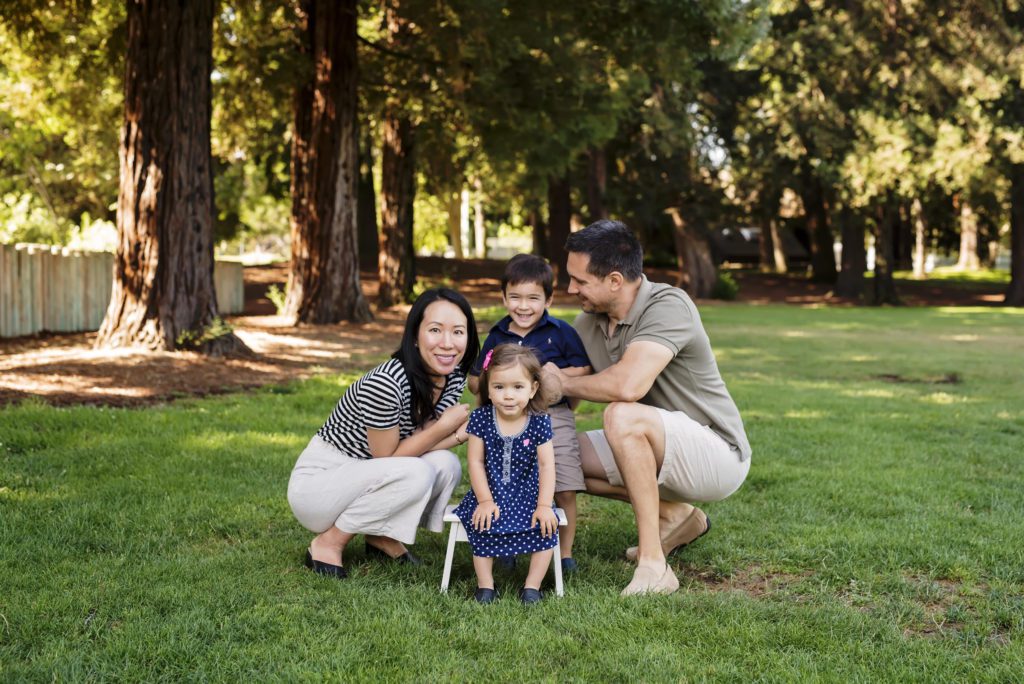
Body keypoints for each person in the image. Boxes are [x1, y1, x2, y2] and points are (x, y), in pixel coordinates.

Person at [544, 220, 752, 596]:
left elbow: (628, 385)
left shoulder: (669, 304)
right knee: (558, 456)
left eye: (579, 281)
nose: (570, 289)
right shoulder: (586, 323)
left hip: (717, 453)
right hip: (652, 442)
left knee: (620, 413)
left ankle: (655, 566)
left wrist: (564, 381)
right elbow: (566, 398)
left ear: (614, 280)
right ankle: (676, 517)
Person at [287, 288, 479, 579]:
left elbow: (421, 443)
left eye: (458, 332)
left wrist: (456, 436)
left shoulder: (451, 376)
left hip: (366, 475)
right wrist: (445, 428)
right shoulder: (386, 383)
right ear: (415, 336)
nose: (447, 343)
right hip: (319, 486)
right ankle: (328, 542)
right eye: (435, 330)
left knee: (446, 464)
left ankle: (381, 536)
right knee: (417, 472)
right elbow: (388, 458)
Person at [468, 253, 591, 573]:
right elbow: (477, 378)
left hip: (552, 415)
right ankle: (506, 542)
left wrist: (557, 377)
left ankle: (564, 553)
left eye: (533, 298)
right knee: (503, 482)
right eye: (516, 297)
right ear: (504, 297)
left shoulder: (561, 332)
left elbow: (583, 370)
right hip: (506, 419)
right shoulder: (497, 336)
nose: (524, 306)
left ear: (549, 298)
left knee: (562, 483)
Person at [453, 344, 560, 605]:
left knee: (545, 528)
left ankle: (531, 587)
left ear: (533, 388)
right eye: (499, 387)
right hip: (490, 492)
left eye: (517, 387)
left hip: (529, 493)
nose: (508, 396)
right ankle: (486, 586)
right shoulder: (481, 419)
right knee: (483, 523)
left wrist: (544, 505)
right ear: (488, 388)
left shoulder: (539, 421)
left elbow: (547, 466)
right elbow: (476, 462)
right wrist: (485, 501)